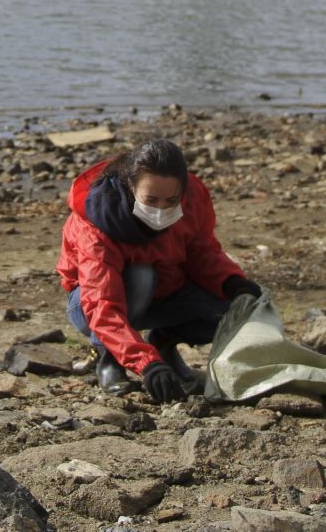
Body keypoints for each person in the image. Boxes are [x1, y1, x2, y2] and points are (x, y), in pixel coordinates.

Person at [57, 138, 261, 401]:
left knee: (239, 306)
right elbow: (101, 303)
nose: (161, 209)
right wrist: (146, 365)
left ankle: (162, 342)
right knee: (141, 276)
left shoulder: (193, 198)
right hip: (90, 305)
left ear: (183, 190)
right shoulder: (96, 221)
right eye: (151, 200)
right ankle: (109, 358)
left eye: (171, 200)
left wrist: (232, 283)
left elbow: (202, 252)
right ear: (131, 187)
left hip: (165, 289)